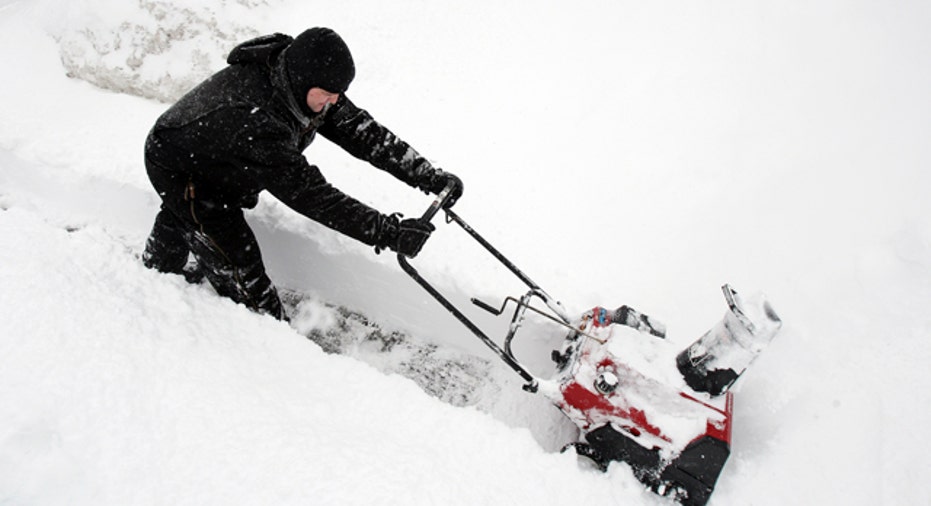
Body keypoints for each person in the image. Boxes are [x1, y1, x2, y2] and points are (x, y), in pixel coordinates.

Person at [141, 27, 463, 321]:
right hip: (183, 168)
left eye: (339, 93)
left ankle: (156, 268)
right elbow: (310, 195)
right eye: (328, 93)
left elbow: (363, 133)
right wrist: (386, 232)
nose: (335, 101)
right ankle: (264, 331)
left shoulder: (307, 85)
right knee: (239, 259)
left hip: (216, 156)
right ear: (303, 79)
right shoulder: (256, 117)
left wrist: (426, 175)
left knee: (190, 218)